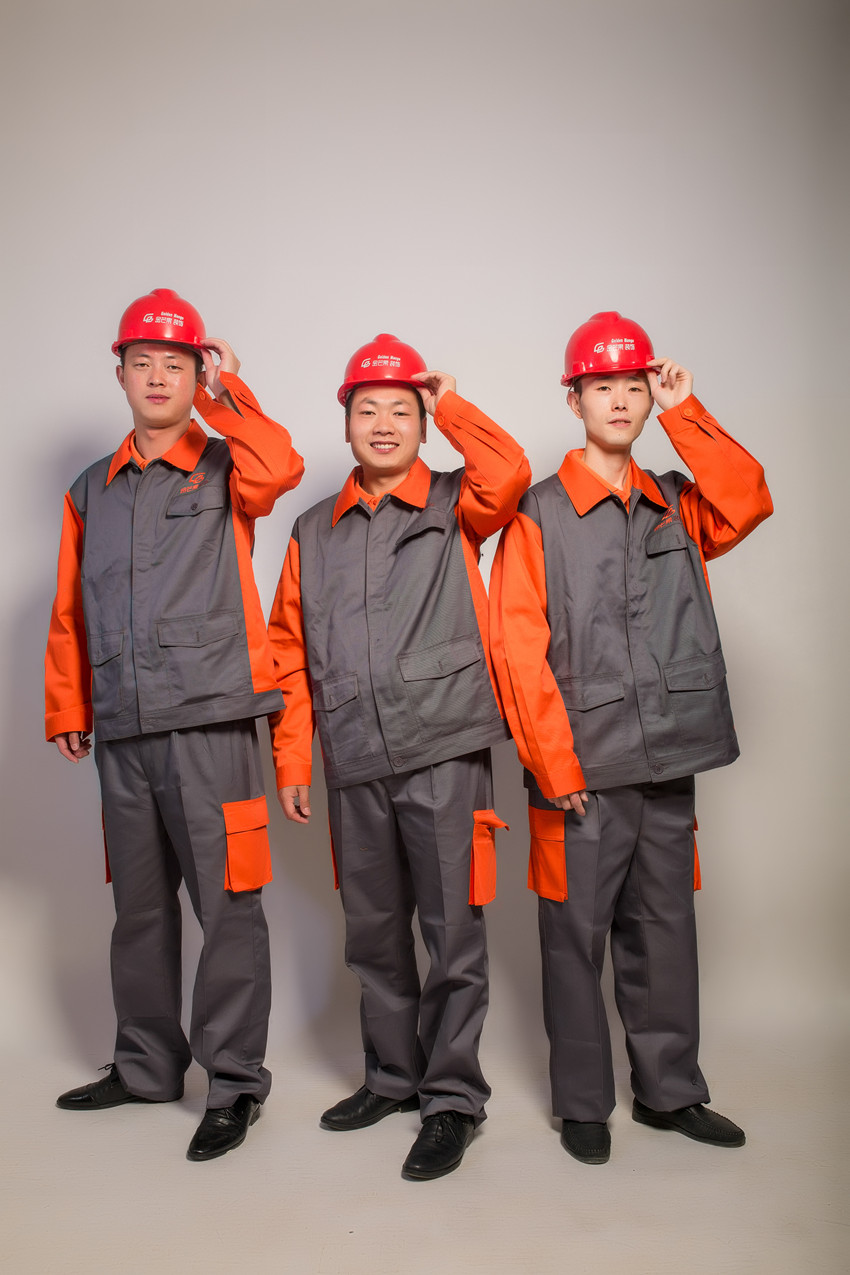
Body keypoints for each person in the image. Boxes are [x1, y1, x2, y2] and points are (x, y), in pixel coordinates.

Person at [490, 311, 773, 1165]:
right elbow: (517, 648)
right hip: (578, 769)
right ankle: (584, 1103)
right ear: (573, 399)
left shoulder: (677, 503)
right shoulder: (538, 514)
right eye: (601, 385)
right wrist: (554, 764)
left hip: (668, 760)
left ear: (651, 394)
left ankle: (669, 1091)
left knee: (665, 930)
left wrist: (689, 414)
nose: (618, 399)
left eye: (633, 385)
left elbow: (749, 499)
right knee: (573, 938)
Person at [45, 287, 304, 1161]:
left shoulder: (229, 464)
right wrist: (70, 702)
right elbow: (70, 606)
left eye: (177, 364)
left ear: (198, 375)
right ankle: (147, 1065)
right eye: (143, 362)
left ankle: (233, 1083)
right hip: (123, 725)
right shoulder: (91, 488)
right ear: (119, 372)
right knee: (140, 906)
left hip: (213, 720)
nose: (158, 377)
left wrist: (230, 394)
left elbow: (284, 464)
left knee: (229, 905)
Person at [267, 333, 530, 1180]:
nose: (384, 424)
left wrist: (452, 403)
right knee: (374, 931)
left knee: (453, 931)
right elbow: (287, 650)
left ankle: (452, 1100)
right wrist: (294, 759)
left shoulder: (458, 500)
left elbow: (511, 472)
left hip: (445, 746)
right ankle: (391, 1077)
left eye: (402, 411)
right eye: (368, 409)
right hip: (352, 756)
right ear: (345, 421)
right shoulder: (312, 528)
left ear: (422, 423)